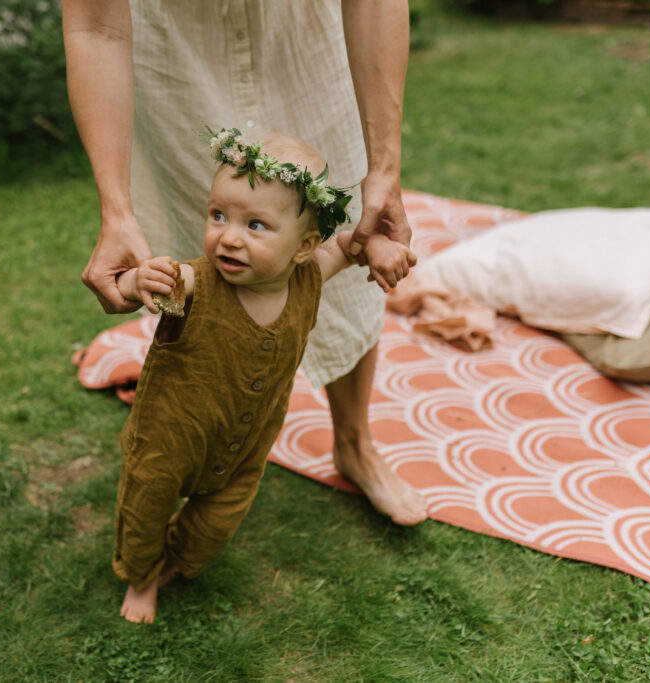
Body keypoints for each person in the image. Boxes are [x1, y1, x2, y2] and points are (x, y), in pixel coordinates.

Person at [63, 0, 429, 527]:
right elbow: (95, 24)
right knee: (218, 257)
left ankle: (354, 442)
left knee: (337, 217)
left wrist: (385, 170)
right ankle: (201, 444)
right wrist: (117, 211)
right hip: (176, 50)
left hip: (301, 33)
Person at [111, 129, 414, 623]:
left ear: (302, 247)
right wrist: (134, 279)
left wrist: (377, 248)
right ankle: (142, 576)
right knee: (145, 508)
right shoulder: (192, 283)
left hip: (244, 446)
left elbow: (349, 246)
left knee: (216, 523)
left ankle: (179, 560)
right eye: (218, 216)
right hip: (169, 437)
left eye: (256, 225)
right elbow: (127, 293)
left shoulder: (310, 275)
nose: (228, 236)